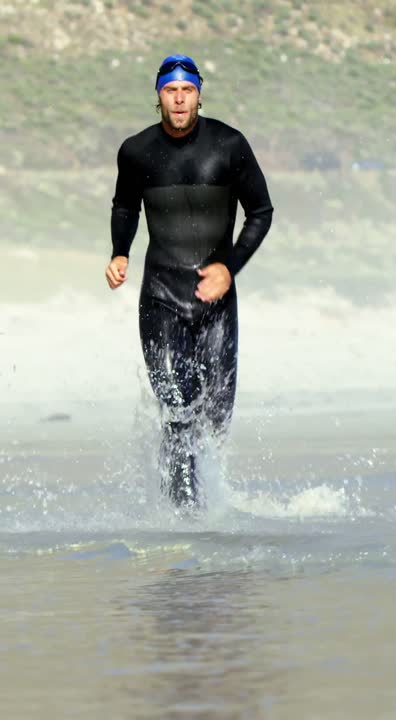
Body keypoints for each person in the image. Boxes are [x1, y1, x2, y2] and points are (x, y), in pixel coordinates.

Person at [106, 54, 274, 509]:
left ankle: (213, 508)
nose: (179, 100)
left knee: (216, 415)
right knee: (178, 410)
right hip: (160, 297)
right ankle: (184, 517)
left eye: (187, 91)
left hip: (216, 298)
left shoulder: (229, 145)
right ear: (158, 96)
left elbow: (261, 211)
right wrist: (120, 251)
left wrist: (229, 267)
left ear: (199, 95)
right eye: (169, 91)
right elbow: (125, 206)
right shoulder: (136, 151)